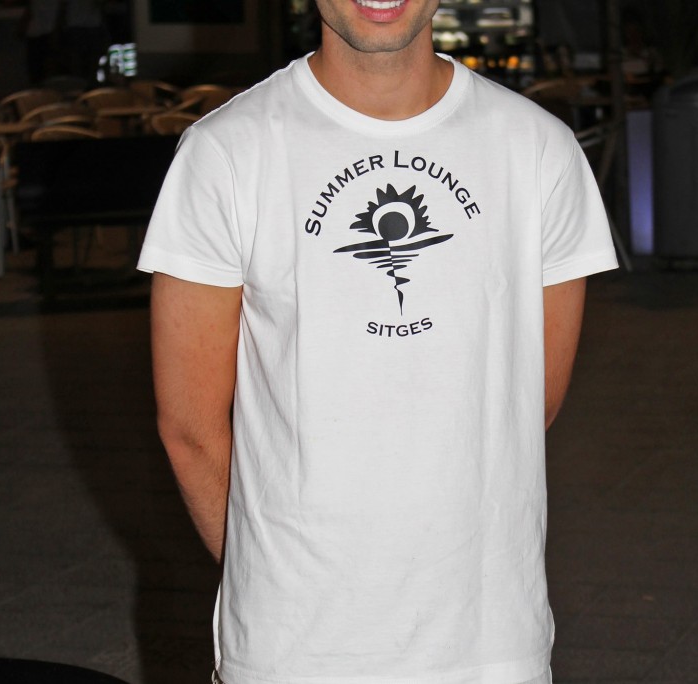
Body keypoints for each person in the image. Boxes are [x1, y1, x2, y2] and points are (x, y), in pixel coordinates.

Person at [138, 0, 618, 682]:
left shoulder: (537, 149)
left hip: (488, 640)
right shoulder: (225, 151)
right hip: (291, 651)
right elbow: (189, 426)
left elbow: (529, 403)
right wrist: (270, 574)